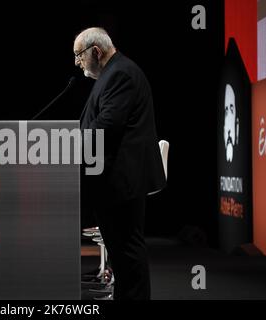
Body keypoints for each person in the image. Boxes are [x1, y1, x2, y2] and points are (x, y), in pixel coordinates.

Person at [74, 27, 166, 300]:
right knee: (123, 255)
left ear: (95, 51)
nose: (77, 62)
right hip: (116, 179)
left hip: (121, 181)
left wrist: (65, 143)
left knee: (127, 253)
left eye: (79, 55)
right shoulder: (114, 73)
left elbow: (106, 129)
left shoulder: (120, 74)